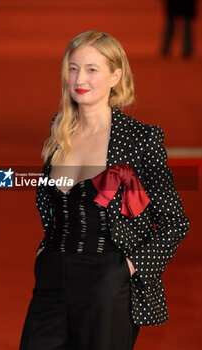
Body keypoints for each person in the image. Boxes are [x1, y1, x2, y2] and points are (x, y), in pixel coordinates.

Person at [19, 30, 190, 350]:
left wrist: (126, 269)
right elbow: (48, 198)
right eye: (72, 68)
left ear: (116, 75)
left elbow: (174, 221)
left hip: (107, 284)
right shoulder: (60, 129)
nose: (79, 78)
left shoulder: (140, 140)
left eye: (91, 69)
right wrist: (45, 252)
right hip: (52, 280)